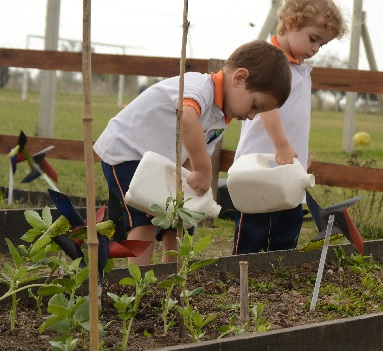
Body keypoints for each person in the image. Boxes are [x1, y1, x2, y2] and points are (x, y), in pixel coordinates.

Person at [94, 40, 292, 266]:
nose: (251, 116)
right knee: (144, 218)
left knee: (181, 217)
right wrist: (203, 168)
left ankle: (171, 275)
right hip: (126, 152)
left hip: (154, 164)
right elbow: (186, 118)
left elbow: (191, 155)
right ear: (239, 78)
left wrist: (188, 185)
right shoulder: (198, 87)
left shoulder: (220, 118)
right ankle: (138, 288)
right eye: (255, 105)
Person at [232, 0, 348, 255]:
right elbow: (267, 108)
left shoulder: (301, 68)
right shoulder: (271, 63)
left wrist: (301, 150)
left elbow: (296, 116)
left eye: (322, 44)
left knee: (289, 221)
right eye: (313, 39)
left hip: (288, 166)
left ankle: (279, 268)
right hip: (260, 163)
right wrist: (282, 144)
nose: (316, 48)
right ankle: (243, 270)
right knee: (254, 223)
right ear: (291, 24)